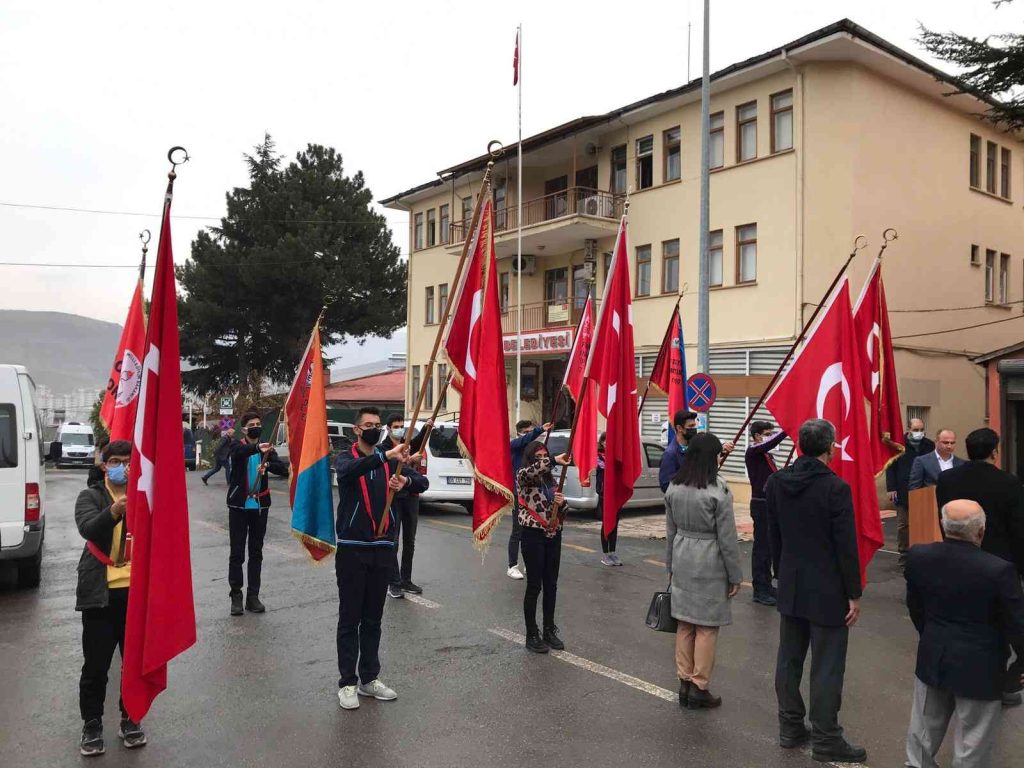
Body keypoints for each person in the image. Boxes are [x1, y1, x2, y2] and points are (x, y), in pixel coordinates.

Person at [766, 418, 866, 764]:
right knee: (827, 665)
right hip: (828, 589)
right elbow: (845, 546)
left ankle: (790, 727)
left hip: (792, 583)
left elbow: (773, 535)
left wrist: (781, 573)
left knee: (789, 660)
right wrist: (854, 593)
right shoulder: (835, 488)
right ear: (829, 448)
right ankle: (826, 737)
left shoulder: (777, 481)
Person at [905, 499, 1024, 767]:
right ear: (981, 531)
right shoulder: (999, 570)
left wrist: (930, 635)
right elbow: (1017, 624)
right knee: (972, 743)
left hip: (933, 654)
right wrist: (1018, 667)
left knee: (922, 732)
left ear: (943, 526)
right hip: (981, 665)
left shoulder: (918, 556)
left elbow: (916, 606)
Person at [334, 406, 428, 710]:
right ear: (356, 430)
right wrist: (386, 456)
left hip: (383, 546)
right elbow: (349, 472)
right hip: (352, 546)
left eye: (378, 425)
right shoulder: (346, 457)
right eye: (369, 425)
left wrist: (406, 483)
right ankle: (347, 683)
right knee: (350, 618)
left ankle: (369, 678)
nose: (375, 429)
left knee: (373, 618)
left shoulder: (392, 464)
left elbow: (422, 483)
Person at [936, 427, 1024, 706]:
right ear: (994, 452)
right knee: (997, 629)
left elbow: (945, 519)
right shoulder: (1009, 483)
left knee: (957, 623)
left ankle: (954, 682)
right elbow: (1018, 531)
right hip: (998, 566)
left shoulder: (947, 479)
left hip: (955, 560)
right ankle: (997, 686)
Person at [74, 439, 146, 755]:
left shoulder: (143, 496)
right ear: (104, 465)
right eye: (115, 461)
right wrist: (115, 510)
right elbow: (88, 528)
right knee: (96, 667)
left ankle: (130, 719)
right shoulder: (90, 496)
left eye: (128, 461)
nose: (122, 467)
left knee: (133, 665)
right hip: (100, 596)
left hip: (135, 594)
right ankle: (92, 726)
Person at [666, 432, 743, 710]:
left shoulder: (674, 486)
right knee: (707, 627)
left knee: (685, 623)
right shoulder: (717, 490)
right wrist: (735, 575)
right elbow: (727, 538)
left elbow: (670, 531)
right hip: (710, 559)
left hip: (682, 554)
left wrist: (670, 567)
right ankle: (700, 685)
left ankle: (684, 682)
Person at [225, 411, 288, 616]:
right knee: (237, 553)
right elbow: (238, 453)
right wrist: (256, 448)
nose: (256, 426)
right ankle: (236, 595)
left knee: (256, 552)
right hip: (239, 506)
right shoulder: (237, 445)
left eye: (258, 423)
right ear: (244, 429)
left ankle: (253, 596)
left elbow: (283, 469)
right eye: (251, 424)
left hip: (260, 506)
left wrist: (267, 464)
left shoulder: (267, 449)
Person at [516, 439, 571, 654]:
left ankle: (549, 629)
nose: (542, 461)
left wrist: (562, 503)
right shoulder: (523, 476)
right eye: (537, 457)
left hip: (553, 534)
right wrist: (554, 460)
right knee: (534, 585)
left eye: (544, 456)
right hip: (532, 534)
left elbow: (563, 512)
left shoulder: (550, 481)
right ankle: (532, 633)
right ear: (531, 459)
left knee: (551, 585)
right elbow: (531, 473)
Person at [380, 413, 428, 599]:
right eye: (396, 426)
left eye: (402, 426)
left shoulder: (406, 445)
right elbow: (390, 465)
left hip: (411, 497)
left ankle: (406, 579)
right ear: (388, 428)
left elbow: (417, 442)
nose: (399, 429)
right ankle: (394, 582)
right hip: (393, 499)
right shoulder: (384, 448)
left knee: (410, 541)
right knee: (393, 541)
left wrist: (426, 427)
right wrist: (408, 461)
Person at [744, 420, 787, 606]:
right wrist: (788, 429)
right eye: (767, 433)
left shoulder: (766, 456)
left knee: (770, 548)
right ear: (757, 436)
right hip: (760, 504)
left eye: (771, 433)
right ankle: (760, 589)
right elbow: (772, 442)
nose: (770, 436)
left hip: (770, 504)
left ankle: (767, 585)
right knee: (762, 549)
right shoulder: (753, 451)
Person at [885, 418, 934, 570]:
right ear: (908, 429)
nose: (919, 433)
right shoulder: (899, 445)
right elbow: (890, 467)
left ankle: (922, 555)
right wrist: (891, 488)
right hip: (903, 489)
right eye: (916, 430)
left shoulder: (929, 445)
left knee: (923, 524)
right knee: (904, 525)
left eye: (921, 429)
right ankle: (904, 555)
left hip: (923, 489)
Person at [507, 419, 553, 580]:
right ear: (519, 432)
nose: (528, 435)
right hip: (519, 494)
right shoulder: (515, 445)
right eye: (526, 432)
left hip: (535, 494)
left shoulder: (532, 450)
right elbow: (525, 441)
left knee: (535, 529)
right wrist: (539, 430)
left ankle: (530, 561)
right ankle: (512, 565)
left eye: (530, 432)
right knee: (518, 530)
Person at [659, 409, 735, 493]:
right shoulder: (670, 454)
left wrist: (722, 450)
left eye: (695, 426)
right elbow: (666, 485)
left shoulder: (696, 446)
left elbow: (707, 458)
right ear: (679, 428)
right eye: (691, 426)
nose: (694, 429)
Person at [597, 433, 622, 567]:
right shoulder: (599, 456)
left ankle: (612, 551)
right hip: (604, 493)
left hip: (616, 493)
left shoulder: (615, 456)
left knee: (615, 523)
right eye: (605, 441)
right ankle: (605, 554)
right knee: (607, 523)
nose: (608, 444)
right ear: (601, 443)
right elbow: (605, 468)